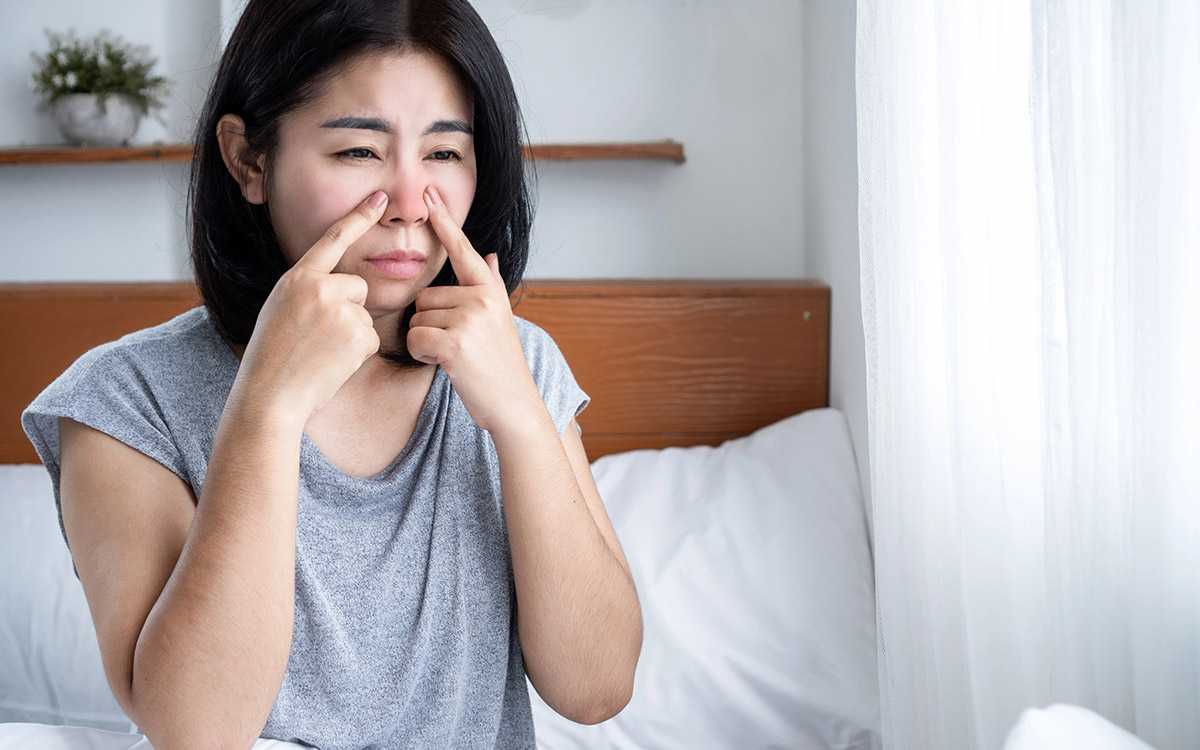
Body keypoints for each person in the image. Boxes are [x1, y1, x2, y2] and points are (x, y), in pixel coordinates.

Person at [21, 1, 642, 748]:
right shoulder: (127, 401)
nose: (412, 204)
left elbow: (597, 689)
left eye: (445, 154)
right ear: (248, 160)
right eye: (358, 153)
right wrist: (268, 410)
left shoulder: (520, 362)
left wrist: (518, 418)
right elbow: (195, 731)